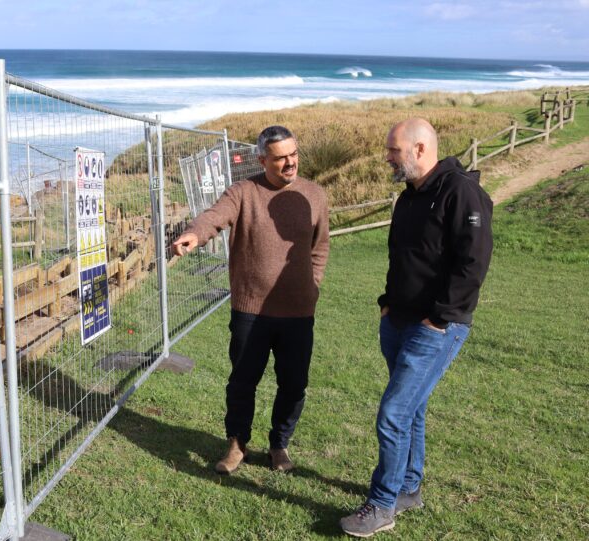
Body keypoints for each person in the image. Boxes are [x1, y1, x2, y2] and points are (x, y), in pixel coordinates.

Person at [340, 118, 493, 537]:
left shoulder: (462, 193)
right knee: (412, 410)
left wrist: (439, 317)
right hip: (400, 321)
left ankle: (382, 505)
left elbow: (473, 263)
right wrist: (389, 305)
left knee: (393, 413)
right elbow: (403, 257)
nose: (387, 156)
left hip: (436, 328)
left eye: (393, 150)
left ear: (420, 149)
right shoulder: (409, 195)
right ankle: (408, 488)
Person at [171, 125, 329, 474]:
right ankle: (237, 444)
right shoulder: (243, 192)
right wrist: (194, 234)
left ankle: (279, 444)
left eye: (293, 155)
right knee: (242, 382)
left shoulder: (314, 196)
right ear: (262, 159)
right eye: (280, 158)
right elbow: (215, 216)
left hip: (298, 312)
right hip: (251, 311)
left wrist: (312, 285)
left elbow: (320, 248)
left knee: (294, 385)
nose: (290, 163)